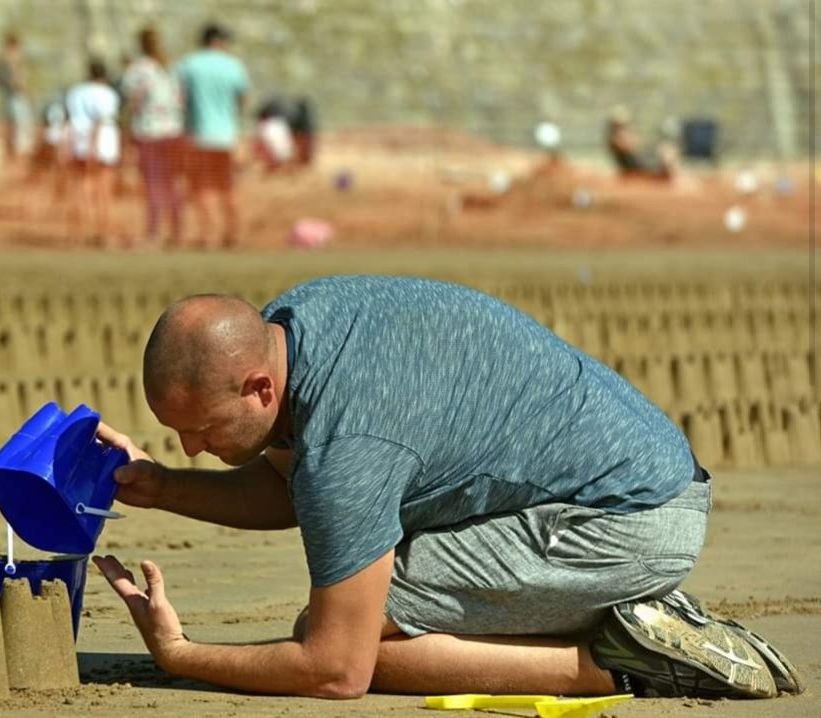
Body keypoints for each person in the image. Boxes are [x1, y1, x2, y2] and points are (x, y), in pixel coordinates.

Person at [93, 275, 801, 701]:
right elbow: (290, 489)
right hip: (620, 482)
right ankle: (609, 618)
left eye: (203, 431)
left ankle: (616, 663)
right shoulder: (297, 325)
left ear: (258, 387)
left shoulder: (352, 438)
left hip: (626, 520)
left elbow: (335, 673)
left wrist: (180, 655)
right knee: (358, 619)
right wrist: (161, 486)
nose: (192, 448)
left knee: (333, 634)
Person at [176, 23, 250, 249]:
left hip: (199, 136)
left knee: (201, 187)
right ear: (218, 41)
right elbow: (242, 100)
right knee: (227, 187)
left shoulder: (188, 64)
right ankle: (232, 235)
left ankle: (207, 235)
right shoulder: (234, 66)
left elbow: (179, 97)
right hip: (226, 136)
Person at [121, 27, 184, 248]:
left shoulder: (138, 69)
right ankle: (177, 232)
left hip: (149, 133)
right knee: (171, 183)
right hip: (173, 131)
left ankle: (153, 233)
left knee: (152, 184)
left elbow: (133, 100)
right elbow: (179, 98)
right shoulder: (169, 67)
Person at [64, 58, 121, 244]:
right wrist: (94, 147)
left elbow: (70, 121)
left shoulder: (75, 92)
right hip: (103, 146)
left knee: (79, 191)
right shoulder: (108, 94)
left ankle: (76, 234)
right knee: (103, 192)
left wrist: (69, 146)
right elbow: (100, 119)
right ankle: (104, 234)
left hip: (78, 144)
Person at [606, 105, 677, 181]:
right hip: (635, 168)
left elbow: (638, 145)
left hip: (641, 163)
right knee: (665, 153)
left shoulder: (624, 136)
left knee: (666, 150)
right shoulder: (616, 139)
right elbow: (629, 148)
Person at [0, 31, 32, 162]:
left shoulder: (2, 59)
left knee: (11, 125)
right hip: (15, 96)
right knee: (18, 125)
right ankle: (14, 154)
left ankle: (10, 153)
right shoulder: (10, 58)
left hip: (8, 96)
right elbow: (14, 80)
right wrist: (23, 90)